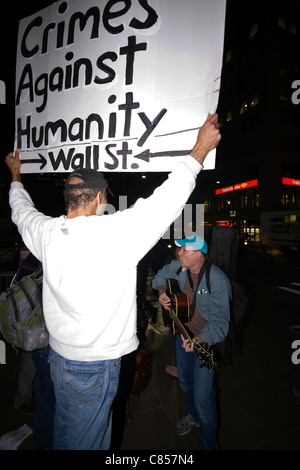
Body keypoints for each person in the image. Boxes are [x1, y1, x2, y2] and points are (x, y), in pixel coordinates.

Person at [5, 113, 221, 450]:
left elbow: (20, 211)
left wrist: (16, 175)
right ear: (95, 198)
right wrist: (200, 149)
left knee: (64, 435)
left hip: (57, 358)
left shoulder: (46, 232)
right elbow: (167, 199)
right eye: (105, 198)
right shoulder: (117, 233)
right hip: (94, 366)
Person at [152, 234, 232, 450]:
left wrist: (200, 339)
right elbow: (159, 276)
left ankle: (209, 445)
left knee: (204, 400)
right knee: (186, 383)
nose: (179, 254)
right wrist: (161, 291)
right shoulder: (179, 267)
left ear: (197, 255)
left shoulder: (217, 280)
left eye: (184, 251)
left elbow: (220, 323)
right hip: (183, 337)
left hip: (204, 344)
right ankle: (193, 416)